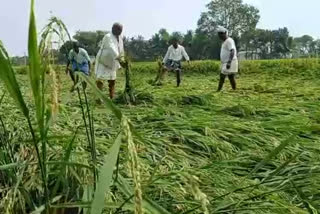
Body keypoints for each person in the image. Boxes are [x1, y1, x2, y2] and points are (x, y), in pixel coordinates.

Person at [95, 23, 124, 100]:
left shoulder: (120, 38)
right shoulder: (108, 37)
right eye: (119, 30)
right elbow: (112, 48)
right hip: (103, 61)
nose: (120, 32)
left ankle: (112, 97)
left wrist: (123, 59)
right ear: (113, 29)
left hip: (112, 62)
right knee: (100, 80)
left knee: (112, 80)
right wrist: (120, 59)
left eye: (121, 30)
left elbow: (121, 49)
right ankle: (99, 98)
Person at [217, 26, 238, 91]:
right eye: (219, 34)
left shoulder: (229, 41)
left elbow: (232, 51)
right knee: (231, 77)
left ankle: (218, 90)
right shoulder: (225, 42)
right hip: (227, 62)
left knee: (222, 76)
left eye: (221, 34)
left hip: (230, 62)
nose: (220, 36)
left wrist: (229, 62)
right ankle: (234, 89)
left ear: (225, 33)